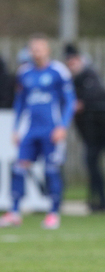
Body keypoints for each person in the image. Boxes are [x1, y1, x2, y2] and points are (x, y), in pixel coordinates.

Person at [0, 34, 76, 229]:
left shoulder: (59, 72)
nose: (36, 53)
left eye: (40, 49)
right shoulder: (24, 73)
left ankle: (53, 213)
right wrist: (16, 128)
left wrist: (63, 126)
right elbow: (20, 102)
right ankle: (15, 212)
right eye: (33, 49)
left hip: (51, 130)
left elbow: (69, 101)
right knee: (19, 168)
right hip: (30, 131)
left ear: (47, 50)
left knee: (51, 170)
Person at [64, 44, 105, 211]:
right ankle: (100, 199)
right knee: (91, 162)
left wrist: (81, 103)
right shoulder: (69, 82)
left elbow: (97, 95)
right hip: (93, 134)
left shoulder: (89, 76)